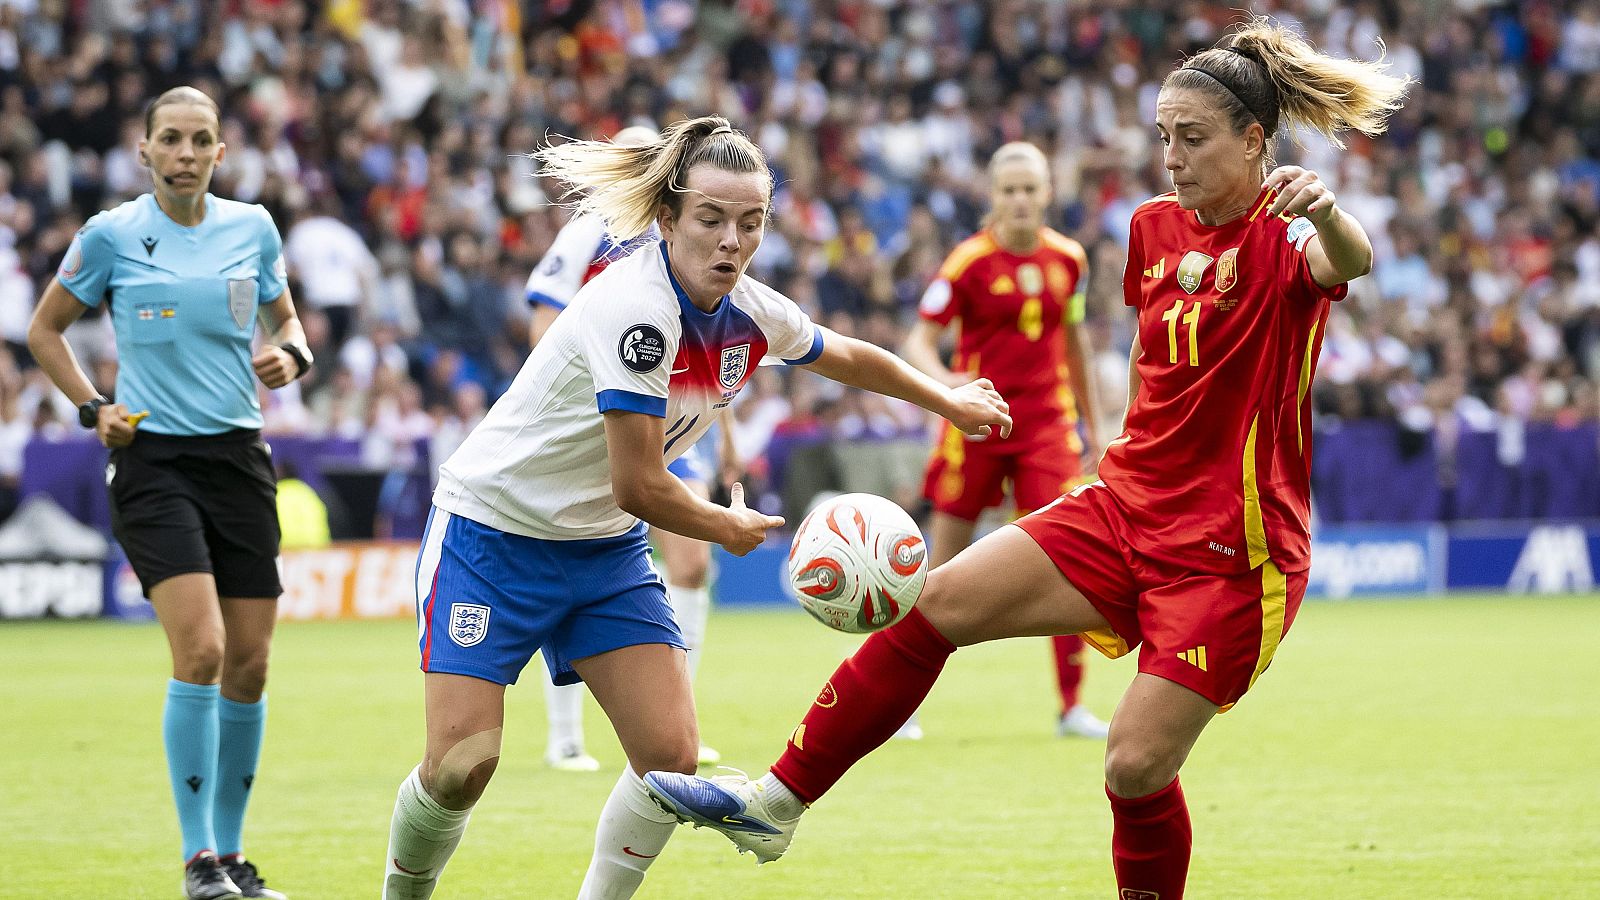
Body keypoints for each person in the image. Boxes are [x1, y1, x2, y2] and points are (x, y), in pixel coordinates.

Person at [644, 23, 1408, 900]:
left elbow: (1348, 259)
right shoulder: (1152, 228)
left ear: (1253, 141)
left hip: (1231, 555)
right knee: (931, 605)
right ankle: (775, 805)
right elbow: (1148, 358)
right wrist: (1118, 439)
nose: (1171, 159)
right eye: (1163, 137)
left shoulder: (1286, 238)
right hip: (1125, 507)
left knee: (1132, 765)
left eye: (1191, 139)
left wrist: (1326, 211)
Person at [381, 116, 1010, 900]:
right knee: (459, 768)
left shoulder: (746, 305)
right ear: (667, 219)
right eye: (711, 219)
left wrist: (944, 400)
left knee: (670, 764)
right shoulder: (637, 311)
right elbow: (638, 485)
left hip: (602, 554)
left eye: (750, 223)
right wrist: (724, 524)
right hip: (491, 536)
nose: (732, 240)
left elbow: (843, 353)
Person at [28, 86, 311, 900]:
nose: (186, 154)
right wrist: (92, 407)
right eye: (171, 140)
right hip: (152, 464)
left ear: (222, 153)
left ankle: (231, 857)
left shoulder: (251, 228)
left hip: (239, 461)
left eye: (201, 141)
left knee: (251, 667)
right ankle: (197, 862)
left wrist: (292, 359)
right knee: (205, 651)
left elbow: (288, 327)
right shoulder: (112, 236)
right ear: (143, 150)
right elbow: (44, 331)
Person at [524, 124, 733, 773]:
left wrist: (726, 441)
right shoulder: (590, 234)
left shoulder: (684, 237)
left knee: (692, 564)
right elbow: (544, 322)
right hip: (601, 418)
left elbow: (717, 347)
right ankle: (566, 736)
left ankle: (681, 712)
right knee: (560, 567)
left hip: (673, 421)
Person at [900, 140, 1108, 741]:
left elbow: (1076, 346)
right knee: (940, 568)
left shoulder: (1069, 260)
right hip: (977, 426)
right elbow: (918, 341)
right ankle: (903, 704)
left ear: (1047, 194)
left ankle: (1071, 707)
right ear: (992, 197)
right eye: (1008, 190)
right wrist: (947, 387)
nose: (1019, 199)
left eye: (1030, 189)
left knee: (1070, 562)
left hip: (1045, 427)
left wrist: (1094, 427)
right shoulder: (967, 263)